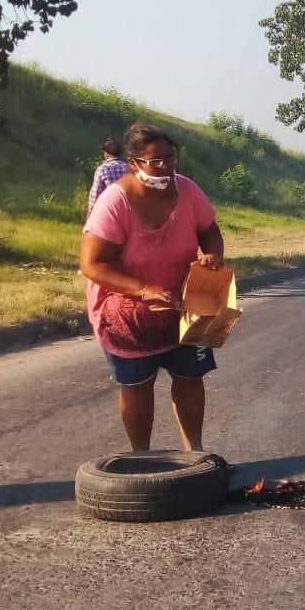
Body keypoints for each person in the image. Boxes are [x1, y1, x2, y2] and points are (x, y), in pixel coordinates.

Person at [80, 123, 225, 452]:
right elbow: (92, 264)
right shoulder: (114, 203)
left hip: (185, 302)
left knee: (190, 377)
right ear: (133, 163)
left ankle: (195, 453)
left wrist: (213, 256)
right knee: (137, 384)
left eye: (169, 158)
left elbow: (210, 231)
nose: (165, 167)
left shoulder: (187, 190)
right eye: (154, 161)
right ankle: (141, 457)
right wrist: (144, 290)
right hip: (128, 313)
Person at [87, 136, 128, 217]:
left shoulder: (103, 169)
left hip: (108, 211)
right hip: (127, 212)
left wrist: (90, 213)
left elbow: (95, 194)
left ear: (106, 154)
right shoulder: (129, 168)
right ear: (120, 153)